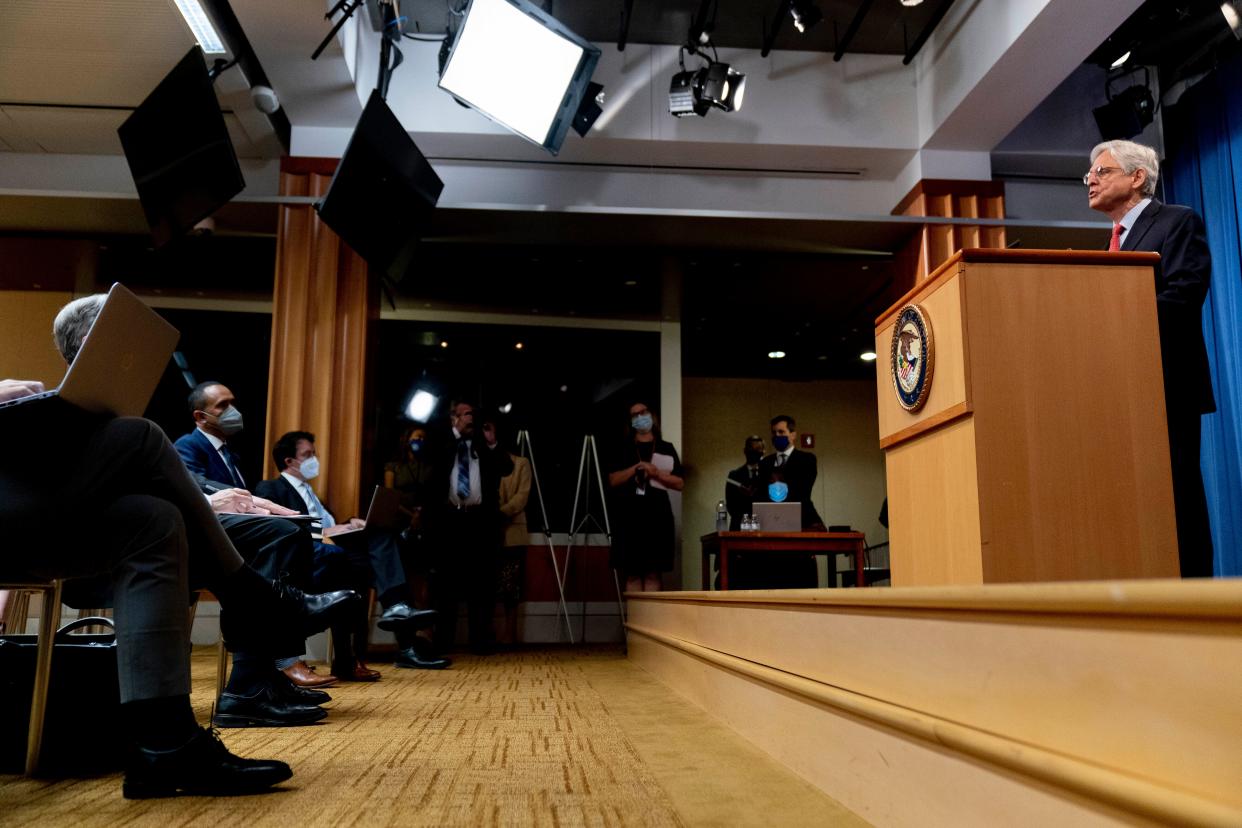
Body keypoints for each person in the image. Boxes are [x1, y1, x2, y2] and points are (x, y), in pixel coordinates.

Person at [0, 384, 352, 798]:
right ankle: (260, 600)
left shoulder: (231, 455)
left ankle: (165, 746)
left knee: (154, 519)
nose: (233, 411)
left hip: (31, 500)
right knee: (140, 435)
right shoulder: (191, 445)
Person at [53, 295, 346, 724]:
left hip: (153, 538)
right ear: (92, 343)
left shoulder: (120, 421)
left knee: (279, 532)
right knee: (262, 534)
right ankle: (267, 646)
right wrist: (209, 503)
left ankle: (255, 677)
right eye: (130, 340)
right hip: (106, 553)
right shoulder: (60, 414)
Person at [1087, 139, 1216, 578]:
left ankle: (1198, 601)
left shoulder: (1176, 221)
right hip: (1121, 390)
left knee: (1177, 495)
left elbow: (1184, 294)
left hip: (1166, 384)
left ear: (1137, 177)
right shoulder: (1111, 241)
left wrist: (1112, 315)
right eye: (1089, 174)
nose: (1090, 180)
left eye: (1102, 172)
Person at [255, 431, 442, 679]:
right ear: (289, 461)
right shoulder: (271, 488)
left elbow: (328, 526)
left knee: (384, 538)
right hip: (305, 558)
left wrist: (348, 523)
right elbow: (278, 528)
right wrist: (329, 530)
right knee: (360, 568)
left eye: (314, 453)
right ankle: (393, 637)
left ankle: (397, 614)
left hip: (336, 551)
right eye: (308, 454)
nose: (315, 459)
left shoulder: (312, 495)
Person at [425, 400, 513, 654]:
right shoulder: (444, 442)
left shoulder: (484, 446)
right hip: (450, 522)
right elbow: (433, 463)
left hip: (480, 523)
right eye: (464, 415)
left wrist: (492, 440)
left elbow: (506, 467)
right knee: (446, 585)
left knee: (481, 584)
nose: (469, 419)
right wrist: (455, 432)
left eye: (472, 414)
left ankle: (481, 641)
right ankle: (443, 642)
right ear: (454, 418)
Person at [382, 424, 448, 669]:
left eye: (423, 438)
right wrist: (410, 515)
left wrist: (421, 515)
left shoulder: (429, 467)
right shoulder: (393, 466)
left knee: (424, 583)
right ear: (405, 439)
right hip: (399, 523)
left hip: (425, 525)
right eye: (416, 437)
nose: (420, 441)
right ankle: (406, 639)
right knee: (404, 579)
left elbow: (434, 494)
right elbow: (389, 495)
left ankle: (425, 637)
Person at [607, 402, 684, 593]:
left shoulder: (666, 447)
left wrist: (656, 473)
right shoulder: (623, 447)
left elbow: (679, 483)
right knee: (632, 572)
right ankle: (635, 620)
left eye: (643, 412)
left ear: (652, 415)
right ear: (630, 421)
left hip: (658, 516)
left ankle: (651, 620)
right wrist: (637, 467)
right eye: (635, 415)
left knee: (653, 573)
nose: (640, 417)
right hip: (629, 516)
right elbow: (613, 480)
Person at [755, 414, 821, 588]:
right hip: (771, 526)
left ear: (793, 435)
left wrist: (778, 487)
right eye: (774, 433)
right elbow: (761, 494)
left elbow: (803, 490)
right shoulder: (765, 463)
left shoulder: (807, 459)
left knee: (800, 577)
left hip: (800, 522)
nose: (777, 436)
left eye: (781, 432)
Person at [494, 430, 531, 647]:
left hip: (513, 530)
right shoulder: (484, 461)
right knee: (488, 586)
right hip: (487, 531)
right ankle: (489, 632)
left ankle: (510, 634)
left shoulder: (521, 463)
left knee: (512, 587)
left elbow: (523, 495)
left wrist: (501, 512)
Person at [720, 434, 765, 589]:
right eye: (751, 449)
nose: (755, 452)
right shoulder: (734, 476)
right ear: (745, 451)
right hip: (740, 529)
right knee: (739, 578)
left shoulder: (769, 475)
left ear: (763, 451)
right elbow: (731, 506)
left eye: (758, 449)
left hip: (765, 531)